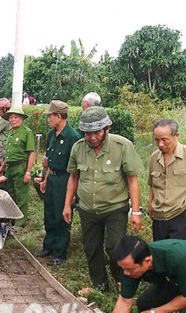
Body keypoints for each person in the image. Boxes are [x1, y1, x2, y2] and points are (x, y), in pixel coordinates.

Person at [63, 106, 144, 291]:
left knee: (115, 246)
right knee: (92, 249)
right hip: (87, 208)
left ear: (107, 129)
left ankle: (121, 279)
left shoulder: (122, 146)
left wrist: (136, 212)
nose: (92, 137)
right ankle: (100, 286)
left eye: (97, 132)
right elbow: (73, 177)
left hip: (115, 207)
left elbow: (132, 180)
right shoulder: (78, 148)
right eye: (87, 133)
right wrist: (67, 204)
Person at [88, 235, 186, 313]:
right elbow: (124, 301)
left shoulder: (179, 257)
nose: (126, 273)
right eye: (123, 269)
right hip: (175, 279)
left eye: (129, 269)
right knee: (146, 302)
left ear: (148, 261)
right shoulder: (129, 265)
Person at [34, 101, 81, 265]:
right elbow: (48, 160)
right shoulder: (52, 135)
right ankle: (49, 246)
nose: (48, 119)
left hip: (65, 179)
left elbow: (76, 169)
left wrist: (74, 192)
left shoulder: (73, 137)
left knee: (62, 216)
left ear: (58, 116)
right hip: (52, 178)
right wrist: (46, 178)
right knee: (50, 214)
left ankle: (60, 252)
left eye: (50, 116)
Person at [148, 119, 186, 241]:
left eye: (164, 139)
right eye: (157, 140)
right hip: (159, 218)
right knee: (161, 253)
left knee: (178, 255)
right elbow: (152, 184)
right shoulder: (154, 157)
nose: (160, 144)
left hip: (180, 214)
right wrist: (150, 204)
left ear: (176, 136)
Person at [2, 106, 35, 230]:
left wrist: (28, 172)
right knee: (12, 194)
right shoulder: (11, 133)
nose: (13, 120)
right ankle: (12, 219)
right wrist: (1, 168)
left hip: (21, 166)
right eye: (10, 117)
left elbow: (31, 153)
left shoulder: (27, 132)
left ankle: (20, 223)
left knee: (21, 196)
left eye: (16, 117)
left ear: (21, 118)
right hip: (10, 168)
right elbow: (9, 154)